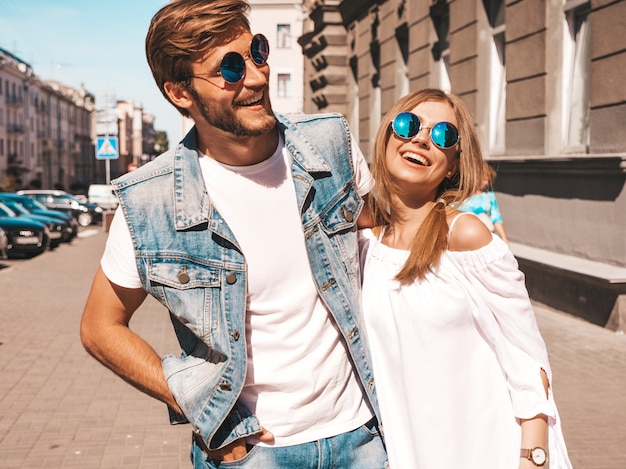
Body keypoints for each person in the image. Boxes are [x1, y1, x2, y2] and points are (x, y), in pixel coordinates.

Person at [79, 1, 387, 468]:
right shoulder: (152, 203)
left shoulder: (328, 144)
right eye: (229, 68)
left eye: (256, 53)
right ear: (180, 93)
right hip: (254, 454)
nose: (258, 78)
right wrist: (198, 405)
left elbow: (382, 236)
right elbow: (100, 327)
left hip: (362, 436)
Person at [359, 88, 571, 468]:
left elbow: (525, 356)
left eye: (443, 135)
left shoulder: (466, 237)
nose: (422, 139)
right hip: (406, 452)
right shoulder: (361, 245)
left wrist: (533, 457)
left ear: (453, 163)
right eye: (408, 124)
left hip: (484, 449)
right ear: (388, 134)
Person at [458, 163, 510, 243]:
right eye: (484, 179)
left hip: (485, 238)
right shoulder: (460, 195)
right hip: (463, 237)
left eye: (488, 180)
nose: (486, 183)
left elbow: (496, 217)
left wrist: (504, 238)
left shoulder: (489, 195)